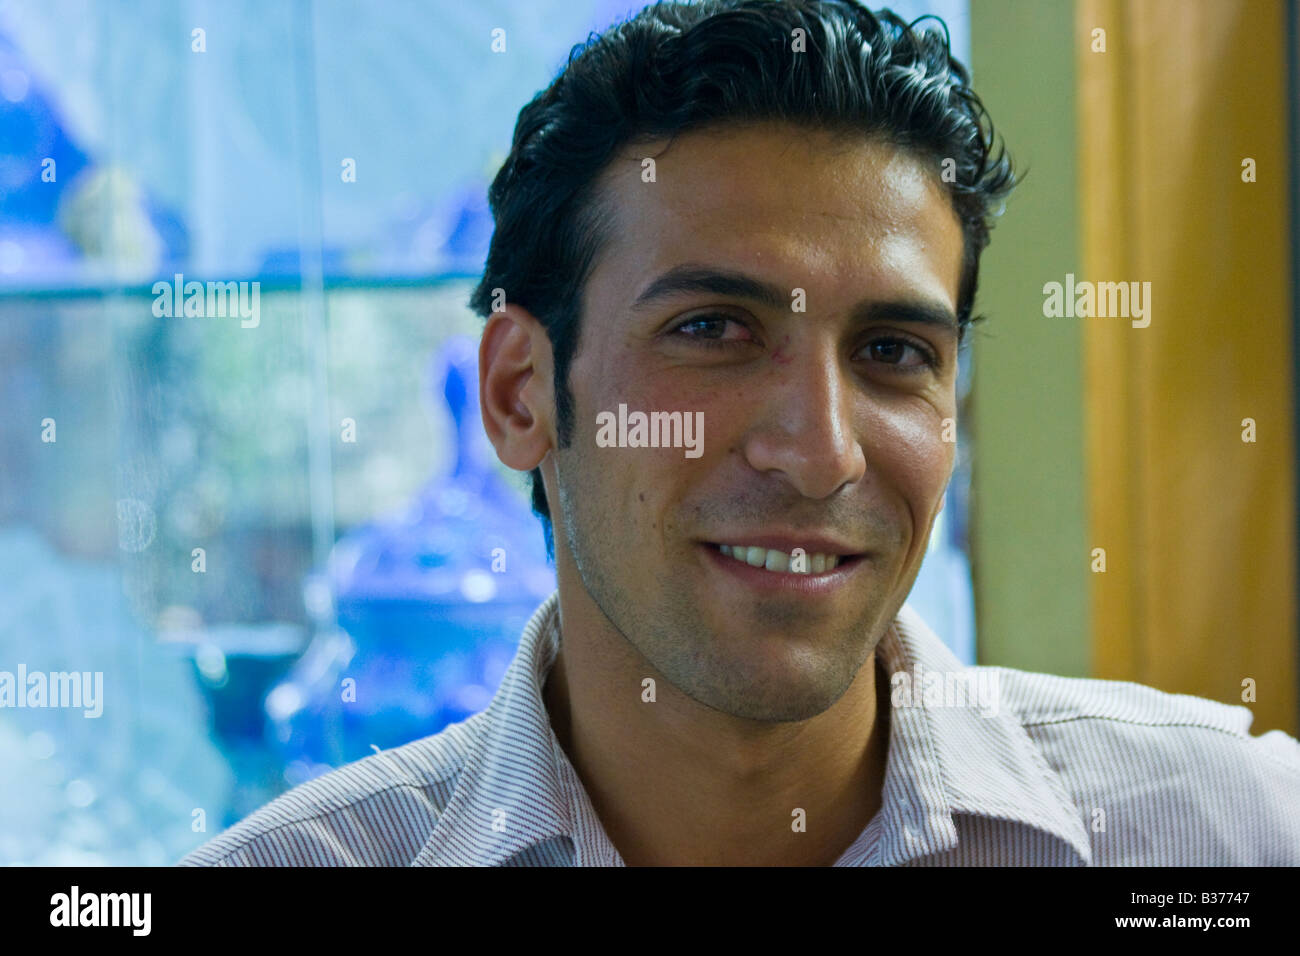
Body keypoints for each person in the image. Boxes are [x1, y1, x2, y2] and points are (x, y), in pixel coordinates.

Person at [181, 0, 1300, 867]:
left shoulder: (1215, 833)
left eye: (892, 353)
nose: (819, 451)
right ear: (521, 393)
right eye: (712, 329)